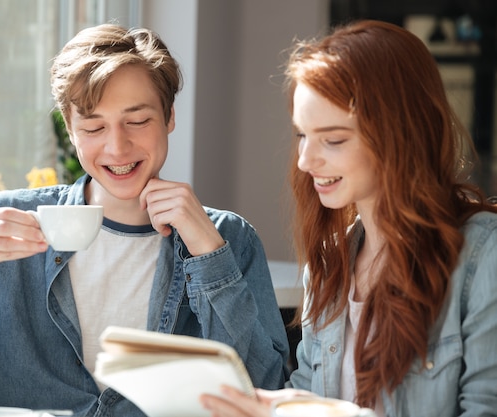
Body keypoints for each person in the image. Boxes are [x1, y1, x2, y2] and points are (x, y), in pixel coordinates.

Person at [0, 24, 291, 416]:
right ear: (70, 129)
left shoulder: (229, 238)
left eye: (138, 120)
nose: (117, 146)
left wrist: (208, 254)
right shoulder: (2, 222)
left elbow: (264, 392)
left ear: (169, 117)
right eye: (93, 127)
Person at [200, 19, 497, 417]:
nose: (305, 161)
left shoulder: (482, 256)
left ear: (401, 133)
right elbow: (308, 392)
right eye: (302, 135)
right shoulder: (329, 263)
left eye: (333, 140)